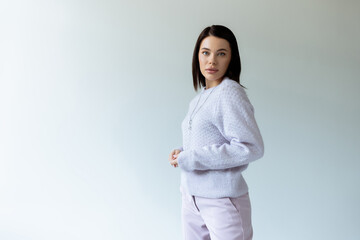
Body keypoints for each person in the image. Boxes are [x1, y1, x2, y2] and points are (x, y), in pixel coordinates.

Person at [168, 25, 264, 240]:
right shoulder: (199, 98)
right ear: (197, 56)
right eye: (206, 53)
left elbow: (251, 147)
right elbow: (207, 142)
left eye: (221, 53)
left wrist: (191, 158)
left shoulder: (230, 92)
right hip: (191, 198)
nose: (212, 61)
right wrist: (182, 153)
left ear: (231, 59)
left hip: (221, 201)